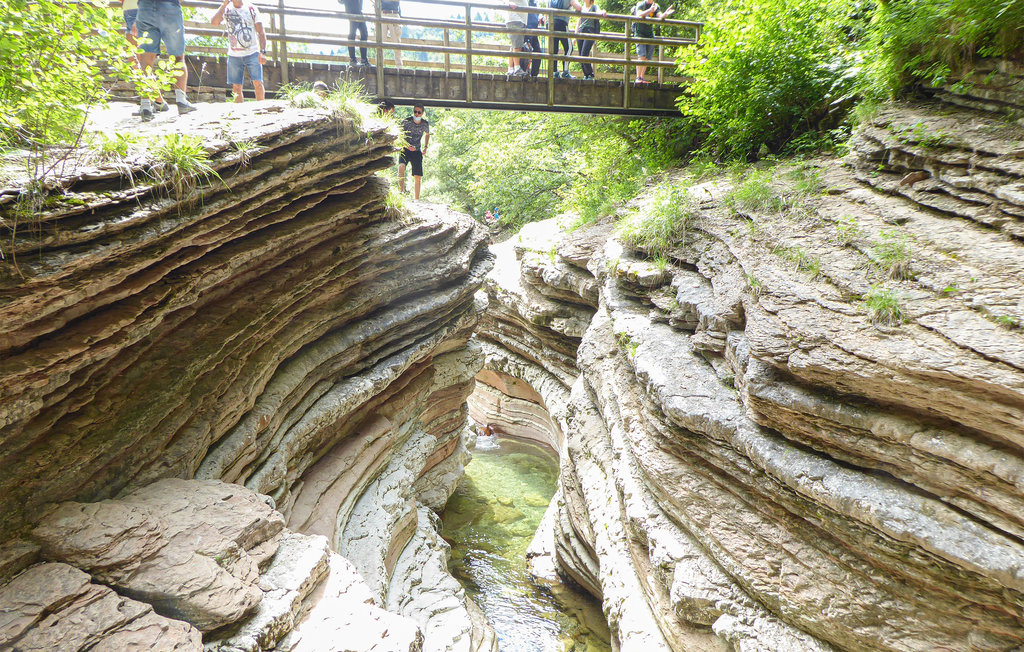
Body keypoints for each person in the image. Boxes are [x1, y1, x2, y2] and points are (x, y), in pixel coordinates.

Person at [134, 0, 197, 120]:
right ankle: (181, 101)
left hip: (145, 7)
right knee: (178, 57)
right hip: (169, 7)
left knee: (146, 60)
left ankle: (146, 105)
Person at [211, 0, 267, 103]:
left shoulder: (251, 8)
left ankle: (262, 109)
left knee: (258, 83)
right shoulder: (226, 8)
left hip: (252, 52)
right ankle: (239, 112)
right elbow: (214, 22)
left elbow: (261, 31)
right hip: (234, 54)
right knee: (236, 86)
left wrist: (262, 52)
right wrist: (224, 5)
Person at [121, 0, 169, 114]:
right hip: (129, 12)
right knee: (134, 61)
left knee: (142, 63)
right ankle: (158, 101)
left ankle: (146, 105)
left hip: (142, 11)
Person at [631, 0, 673, 84]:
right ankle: (638, 77)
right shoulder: (641, 4)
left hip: (650, 34)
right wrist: (650, 10)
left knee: (647, 57)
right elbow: (639, 14)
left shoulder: (656, 6)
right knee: (641, 55)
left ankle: (642, 77)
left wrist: (665, 14)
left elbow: (660, 16)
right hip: (640, 33)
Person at [398, 104, 429, 199]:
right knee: (401, 167)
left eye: (419, 112)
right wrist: (407, 146)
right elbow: (399, 135)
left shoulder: (425, 124)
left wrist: (425, 147)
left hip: (417, 150)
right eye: (415, 111)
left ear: (422, 113)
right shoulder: (406, 121)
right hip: (405, 148)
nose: (416, 114)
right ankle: (401, 192)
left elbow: (427, 134)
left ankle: (417, 199)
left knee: (418, 176)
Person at [548, 0, 582, 78]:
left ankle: (555, 72)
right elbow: (579, 7)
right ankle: (565, 71)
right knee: (569, 48)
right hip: (562, 24)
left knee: (554, 49)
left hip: (551, 24)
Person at [576, 0, 605, 80]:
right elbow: (579, 21)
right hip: (581, 31)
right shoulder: (581, 8)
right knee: (580, 56)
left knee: (584, 54)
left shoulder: (594, 7)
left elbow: (599, 11)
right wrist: (575, 35)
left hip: (590, 31)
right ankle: (586, 75)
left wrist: (603, 12)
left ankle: (591, 74)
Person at [503, 2, 530, 77]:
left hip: (520, 19)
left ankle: (511, 69)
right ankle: (517, 68)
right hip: (515, 19)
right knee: (517, 46)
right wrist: (508, 3)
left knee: (515, 45)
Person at [342, 0, 370, 69]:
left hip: (358, 11)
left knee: (364, 33)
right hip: (352, 11)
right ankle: (352, 59)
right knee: (352, 35)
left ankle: (363, 60)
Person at [522, 0, 544, 77]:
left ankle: (534, 75)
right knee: (525, 51)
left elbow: (536, 14)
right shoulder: (526, 2)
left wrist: (540, 17)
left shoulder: (534, 3)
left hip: (534, 31)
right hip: (527, 29)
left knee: (538, 52)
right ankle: (523, 72)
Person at [379, 0, 402, 67]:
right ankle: (380, 65)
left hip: (393, 14)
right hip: (384, 14)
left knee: (396, 42)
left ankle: (399, 67)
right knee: (380, 41)